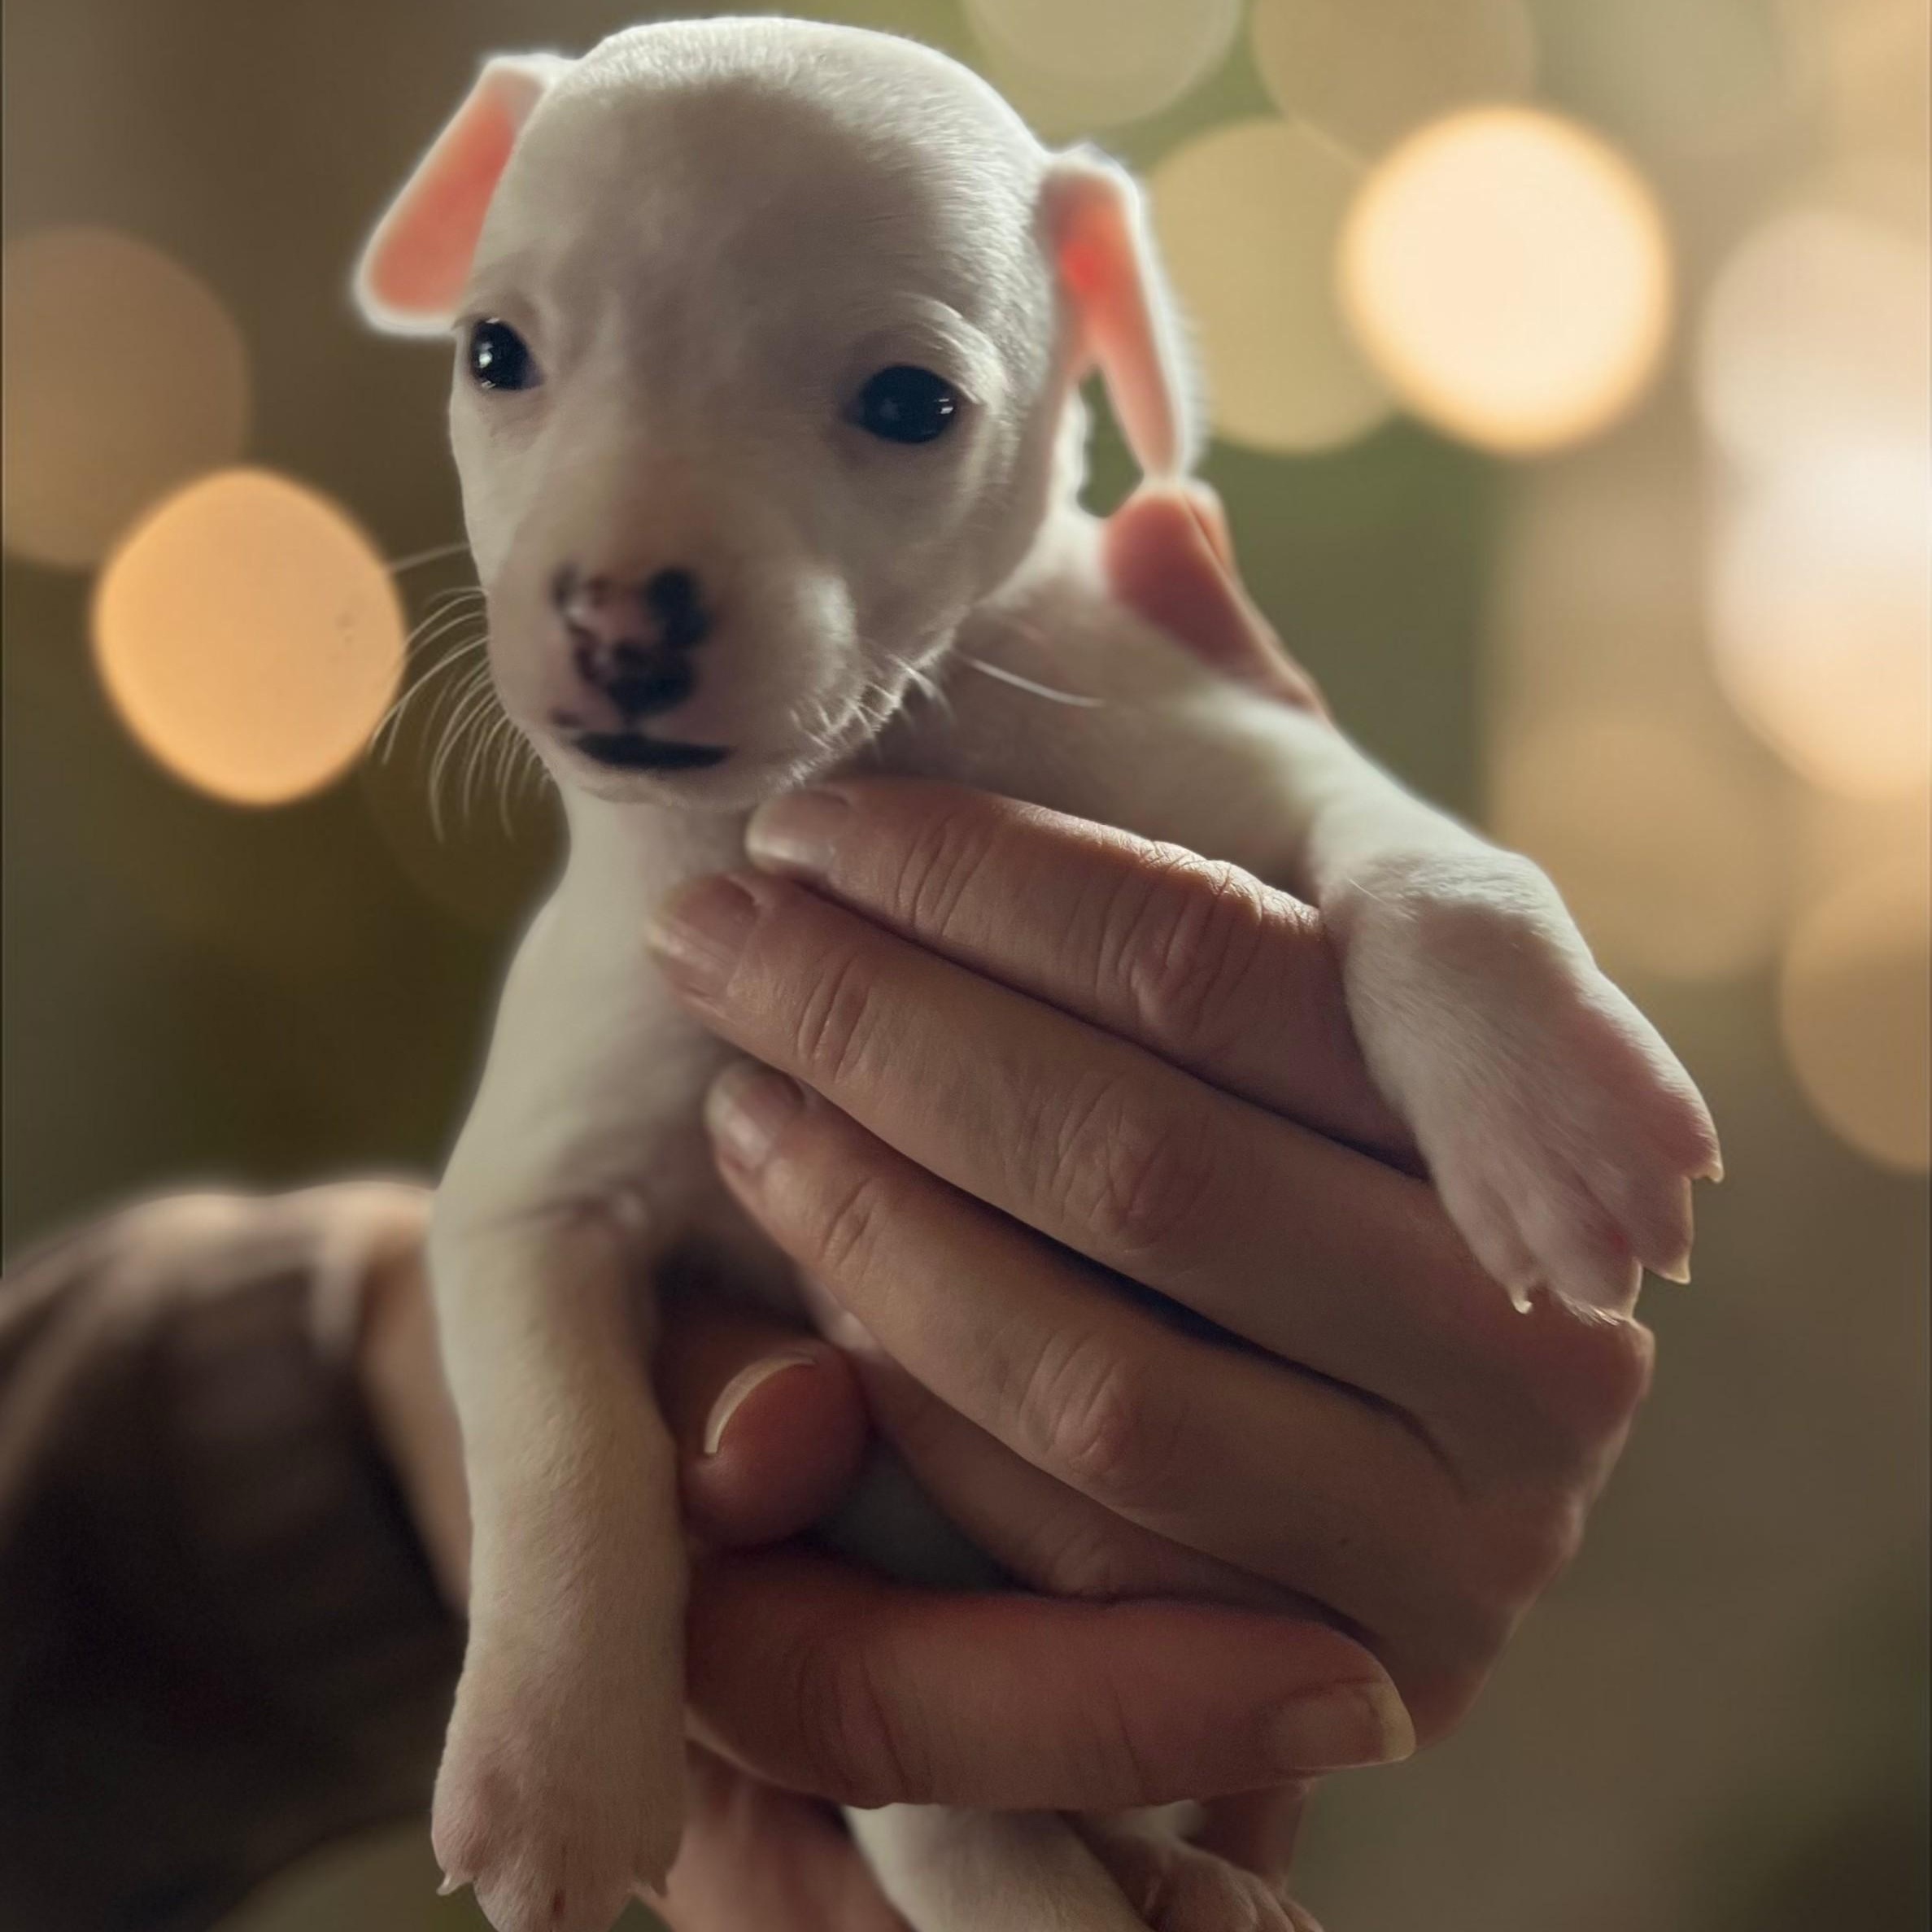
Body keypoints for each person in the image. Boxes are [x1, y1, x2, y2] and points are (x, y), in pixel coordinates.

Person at [0, 489, 1653, 1932]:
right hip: (818, 1593)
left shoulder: (1077, 639)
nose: (638, 556)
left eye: (899, 401)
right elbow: (522, 1222)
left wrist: (367, 1406)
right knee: (955, 1793)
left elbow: (1356, 822)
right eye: (506, 360)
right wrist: (558, 1620)